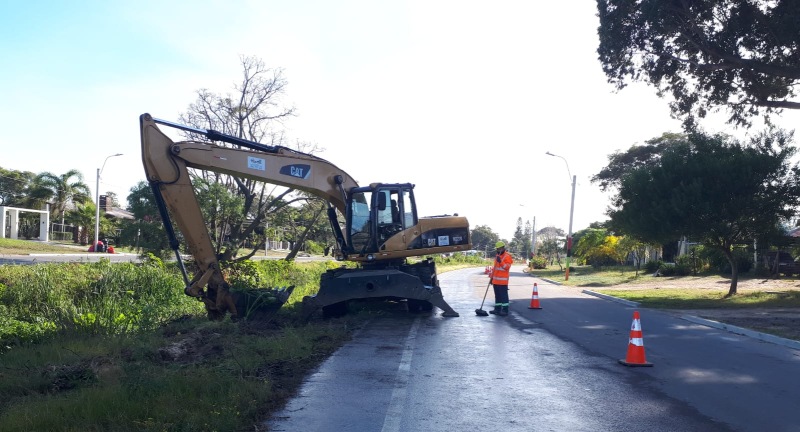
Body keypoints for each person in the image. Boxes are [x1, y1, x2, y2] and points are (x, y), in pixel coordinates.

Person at [489, 241, 514, 316]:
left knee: (504, 296)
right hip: (495, 280)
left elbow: (507, 267)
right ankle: (497, 309)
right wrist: (491, 278)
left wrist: (501, 262)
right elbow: (495, 268)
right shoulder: (497, 256)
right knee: (497, 296)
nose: (498, 250)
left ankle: (505, 310)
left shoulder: (507, 256)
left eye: (499, 248)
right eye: (497, 249)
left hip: (502, 281)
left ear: (503, 248)